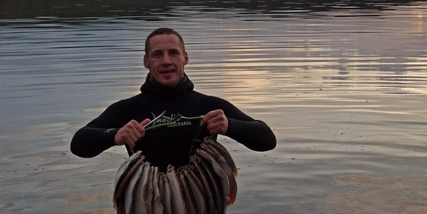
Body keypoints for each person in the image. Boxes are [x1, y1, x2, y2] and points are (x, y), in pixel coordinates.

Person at [70, 27, 276, 168]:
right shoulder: (128, 109)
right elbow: (78, 144)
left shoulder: (209, 106)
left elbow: (267, 140)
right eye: (158, 54)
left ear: (185, 58)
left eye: (173, 53)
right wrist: (114, 136)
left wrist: (229, 125)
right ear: (146, 61)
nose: (166, 61)